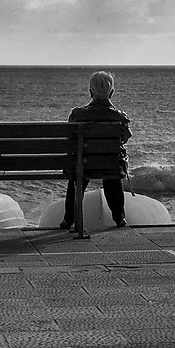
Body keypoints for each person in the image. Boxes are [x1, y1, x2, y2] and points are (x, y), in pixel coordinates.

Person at [61, 71, 131, 231]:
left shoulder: (77, 115)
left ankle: (68, 219)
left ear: (90, 92)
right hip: (110, 164)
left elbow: (69, 139)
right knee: (111, 168)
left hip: (83, 164)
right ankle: (119, 217)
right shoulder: (119, 117)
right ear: (111, 93)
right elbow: (125, 138)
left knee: (77, 176)